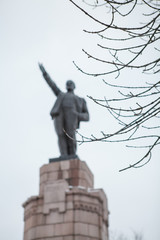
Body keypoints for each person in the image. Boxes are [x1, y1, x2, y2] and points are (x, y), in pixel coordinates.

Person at [39, 63, 89, 158]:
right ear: (66, 86)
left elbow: (87, 116)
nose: (69, 84)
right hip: (60, 116)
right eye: (67, 83)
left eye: (71, 83)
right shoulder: (61, 95)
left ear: (74, 86)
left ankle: (72, 155)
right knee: (60, 135)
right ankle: (63, 155)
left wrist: (77, 115)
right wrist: (44, 73)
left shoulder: (80, 100)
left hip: (72, 117)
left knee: (71, 135)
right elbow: (52, 85)